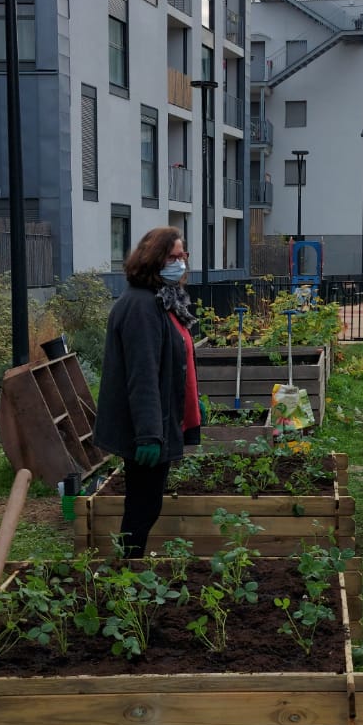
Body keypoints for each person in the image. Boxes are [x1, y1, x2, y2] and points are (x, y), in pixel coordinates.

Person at [94, 226, 202, 557]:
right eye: (172, 257)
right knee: (143, 507)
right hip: (145, 430)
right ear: (153, 260)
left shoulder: (163, 301)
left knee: (145, 504)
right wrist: (149, 435)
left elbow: (173, 364)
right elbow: (142, 377)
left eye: (182, 255)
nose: (180, 263)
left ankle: (129, 570)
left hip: (158, 422)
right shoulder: (142, 306)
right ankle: (127, 571)